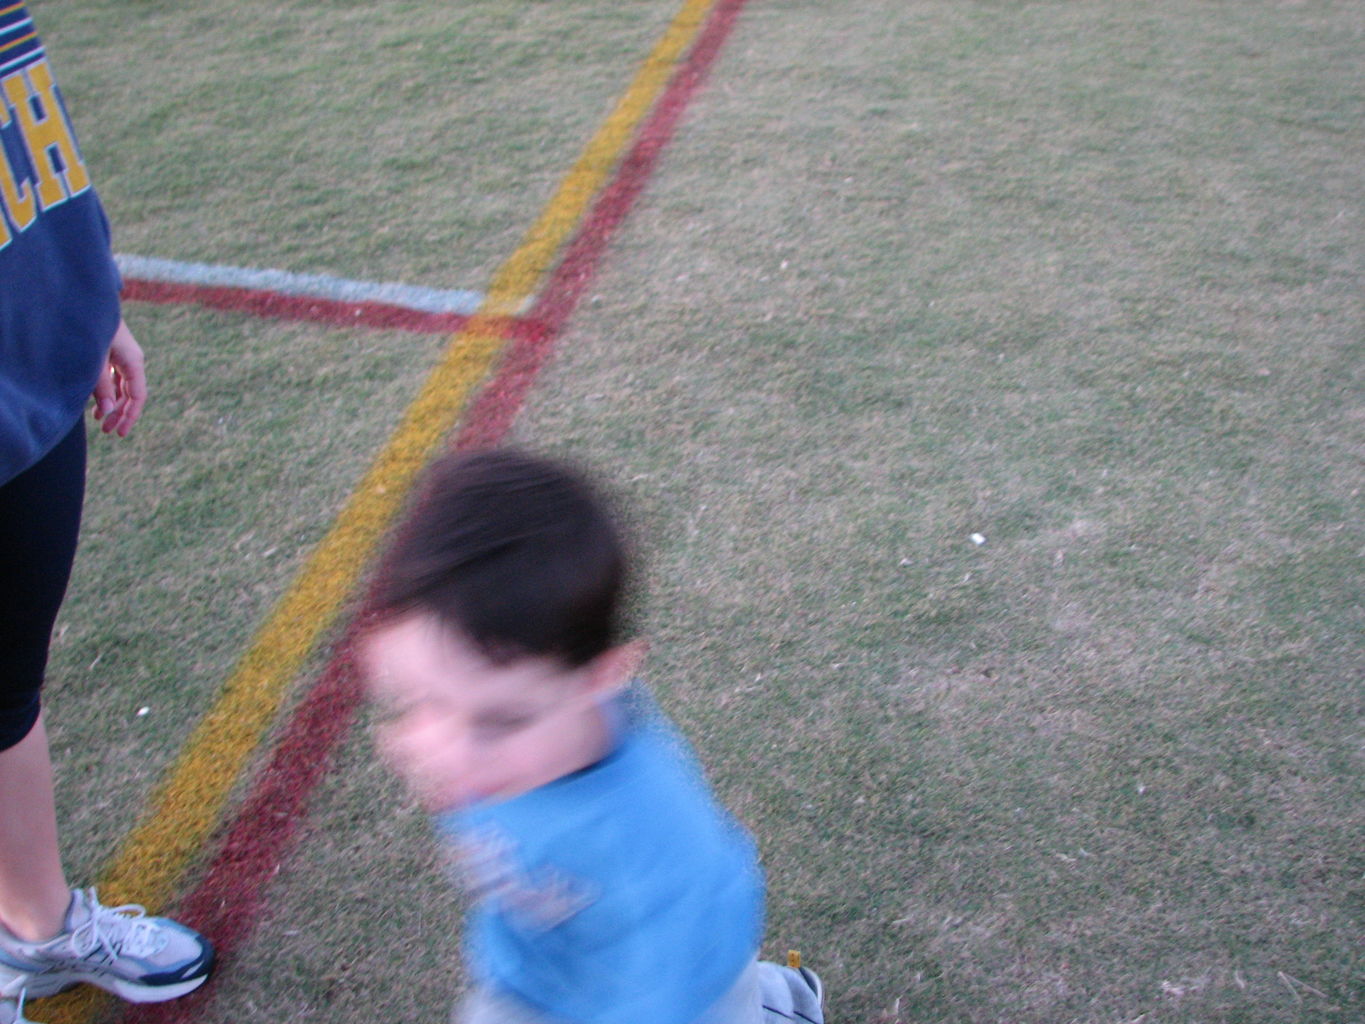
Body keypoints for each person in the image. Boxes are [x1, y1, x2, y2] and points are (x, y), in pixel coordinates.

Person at [361, 448, 827, 1024]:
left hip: (678, 992)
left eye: (501, 720)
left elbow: (662, 999)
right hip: (538, 971)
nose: (444, 751)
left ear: (602, 678)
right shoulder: (502, 750)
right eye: (415, 700)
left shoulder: (658, 856)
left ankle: (780, 1007)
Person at [0, 5, 213, 1023]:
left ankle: (34, 932)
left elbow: (22, 121)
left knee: (5, 687)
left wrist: (84, 298)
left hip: (27, 374)